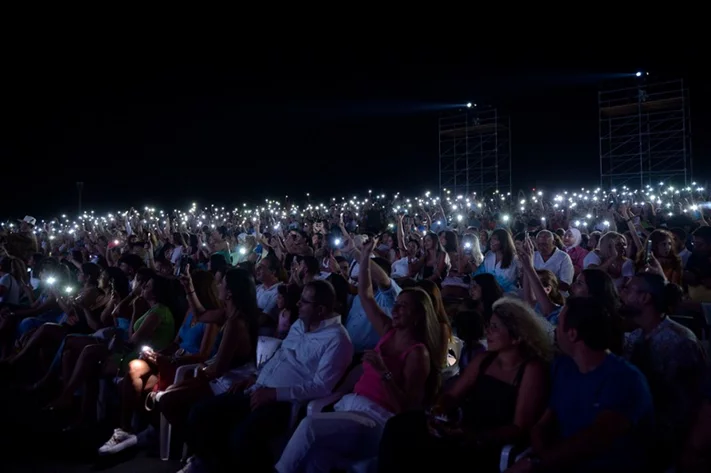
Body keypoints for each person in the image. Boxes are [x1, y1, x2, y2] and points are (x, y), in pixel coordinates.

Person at [180, 280, 353, 473]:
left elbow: (321, 386)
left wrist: (274, 393)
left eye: (304, 301)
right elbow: (279, 357)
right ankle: (212, 465)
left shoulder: (337, 340)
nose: (297, 304)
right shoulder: (299, 324)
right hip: (259, 387)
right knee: (201, 412)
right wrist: (255, 377)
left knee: (242, 437)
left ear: (320, 310)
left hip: (285, 404)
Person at [507, 297, 654, 473]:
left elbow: (594, 440)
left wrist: (540, 463)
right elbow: (543, 424)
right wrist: (542, 456)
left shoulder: (625, 380)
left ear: (572, 334)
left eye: (559, 324)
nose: (555, 331)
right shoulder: (563, 367)